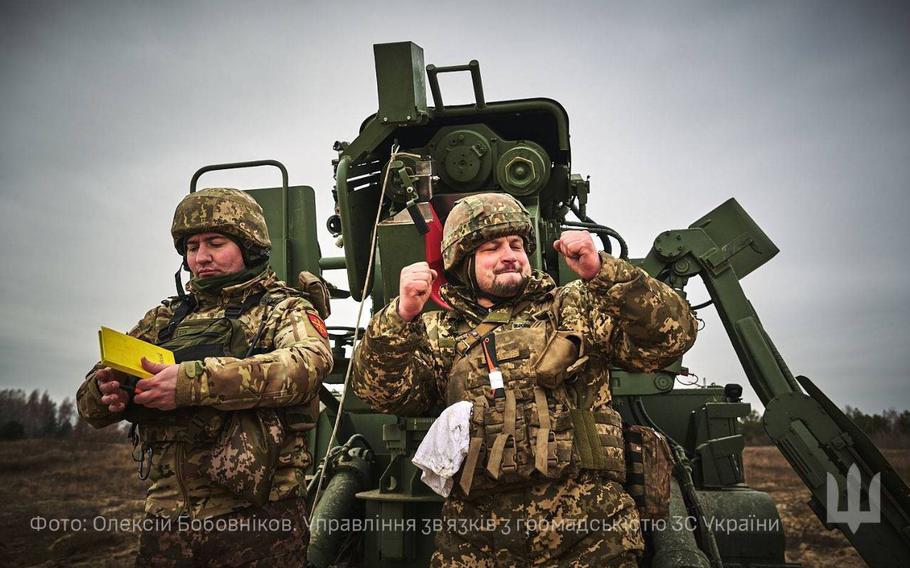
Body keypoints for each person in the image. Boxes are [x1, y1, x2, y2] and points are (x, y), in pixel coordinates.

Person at [352, 193, 697, 567]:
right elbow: (384, 393)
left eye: (517, 245)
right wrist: (401, 316)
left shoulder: (575, 305)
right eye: (491, 247)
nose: (509, 254)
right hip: (477, 537)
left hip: (589, 530)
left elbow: (670, 338)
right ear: (461, 261)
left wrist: (605, 273)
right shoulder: (439, 332)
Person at [76, 188, 333, 566]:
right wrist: (104, 393)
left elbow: (307, 364)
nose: (202, 257)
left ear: (250, 247)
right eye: (192, 247)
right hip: (167, 519)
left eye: (215, 243)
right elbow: (89, 405)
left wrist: (192, 383)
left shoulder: (283, 308)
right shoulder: (162, 320)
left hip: (258, 520)